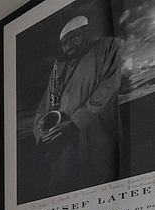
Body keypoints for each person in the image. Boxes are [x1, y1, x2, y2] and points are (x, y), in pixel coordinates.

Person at [33, 15, 121, 196]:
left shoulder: (107, 47)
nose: (68, 46)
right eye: (64, 43)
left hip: (95, 135)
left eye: (73, 38)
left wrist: (75, 122)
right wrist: (42, 135)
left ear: (86, 31)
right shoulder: (59, 66)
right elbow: (44, 107)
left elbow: (109, 87)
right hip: (62, 144)